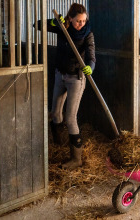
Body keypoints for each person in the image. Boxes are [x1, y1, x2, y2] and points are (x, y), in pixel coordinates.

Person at [36, 3, 95, 170]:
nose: (81, 24)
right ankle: (58, 144)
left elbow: (91, 56)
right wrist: (54, 23)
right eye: (77, 21)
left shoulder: (88, 34)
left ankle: (76, 159)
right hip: (60, 75)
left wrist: (91, 67)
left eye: (83, 21)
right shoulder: (63, 28)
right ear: (70, 18)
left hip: (76, 78)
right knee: (55, 114)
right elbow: (37, 25)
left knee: (70, 118)